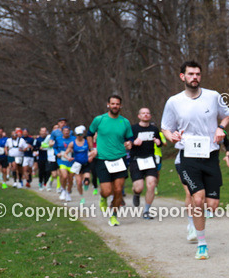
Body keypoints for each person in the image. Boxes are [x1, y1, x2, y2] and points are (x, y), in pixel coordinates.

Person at [161, 61, 229, 258]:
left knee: (212, 204)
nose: (195, 77)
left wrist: (221, 128)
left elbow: (227, 116)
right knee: (198, 199)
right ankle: (202, 243)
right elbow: (165, 127)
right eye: (190, 74)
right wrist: (171, 136)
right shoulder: (174, 101)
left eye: (198, 74)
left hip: (210, 155)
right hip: (188, 155)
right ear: (182, 76)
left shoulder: (213, 96)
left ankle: (194, 223)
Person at [89, 95, 134, 226]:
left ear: (121, 106)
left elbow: (130, 138)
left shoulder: (124, 122)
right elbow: (89, 134)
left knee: (119, 190)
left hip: (119, 159)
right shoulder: (99, 119)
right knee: (107, 191)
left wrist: (129, 143)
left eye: (117, 104)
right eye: (112, 103)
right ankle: (103, 198)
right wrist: (92, 148)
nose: (115, 106)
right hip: (102, 159)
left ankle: (114, 216)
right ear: (108, 104)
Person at [129, 107, 164, 219]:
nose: (145, 115)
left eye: (148, 113)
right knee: (139, 187)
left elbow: (159, 143)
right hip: (136, 160)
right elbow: (127, 143)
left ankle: (146, 211)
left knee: (151, 184)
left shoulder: (154, 129)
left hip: (150, 160)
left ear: (150, 116)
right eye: (143, 113)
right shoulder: (133, 129)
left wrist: (158, 143)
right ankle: (136, 193)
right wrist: (134, 143)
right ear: (139, 116)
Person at [70, 126, 93, 204]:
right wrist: (68, 157)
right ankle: (81, 196)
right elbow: (66, 152)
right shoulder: (72, 143)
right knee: (79, 182)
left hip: (86, 164)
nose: (80, 136)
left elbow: (92, 150)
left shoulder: (87, 141)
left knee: (86, 180)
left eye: (81, 134)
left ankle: (86, 183)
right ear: (76, 135)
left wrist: (91, 156)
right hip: (77, 164)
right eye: (78, 135)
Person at [55, 125, 76, 202]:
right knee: (64, 176)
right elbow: (55, 147)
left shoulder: (73, 139)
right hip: (62, 160)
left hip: (71, 161)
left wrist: (74, 151)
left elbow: (77, 146)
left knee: (70, 179)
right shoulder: (58, 139)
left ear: (70, 132)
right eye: (65, 131)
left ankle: (68, 192)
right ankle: (63, 190)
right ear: (62, 132)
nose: (66, 132)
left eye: (68, 131)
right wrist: (57, 153)